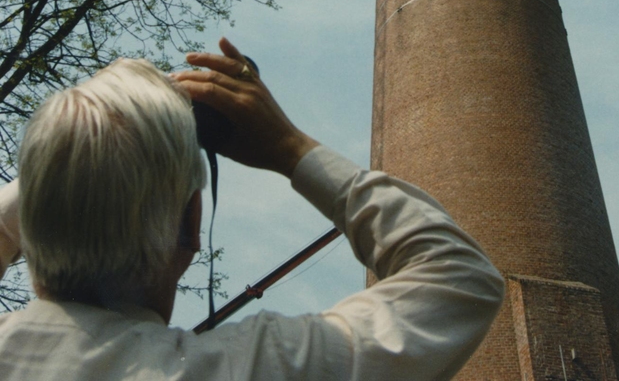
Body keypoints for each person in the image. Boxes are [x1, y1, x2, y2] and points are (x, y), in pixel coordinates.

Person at [0, 37, 504, 380]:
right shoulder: (254, 366)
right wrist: (288, 147)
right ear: (191, 222)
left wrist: (76, 156)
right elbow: (460, 278)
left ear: (34, 215)